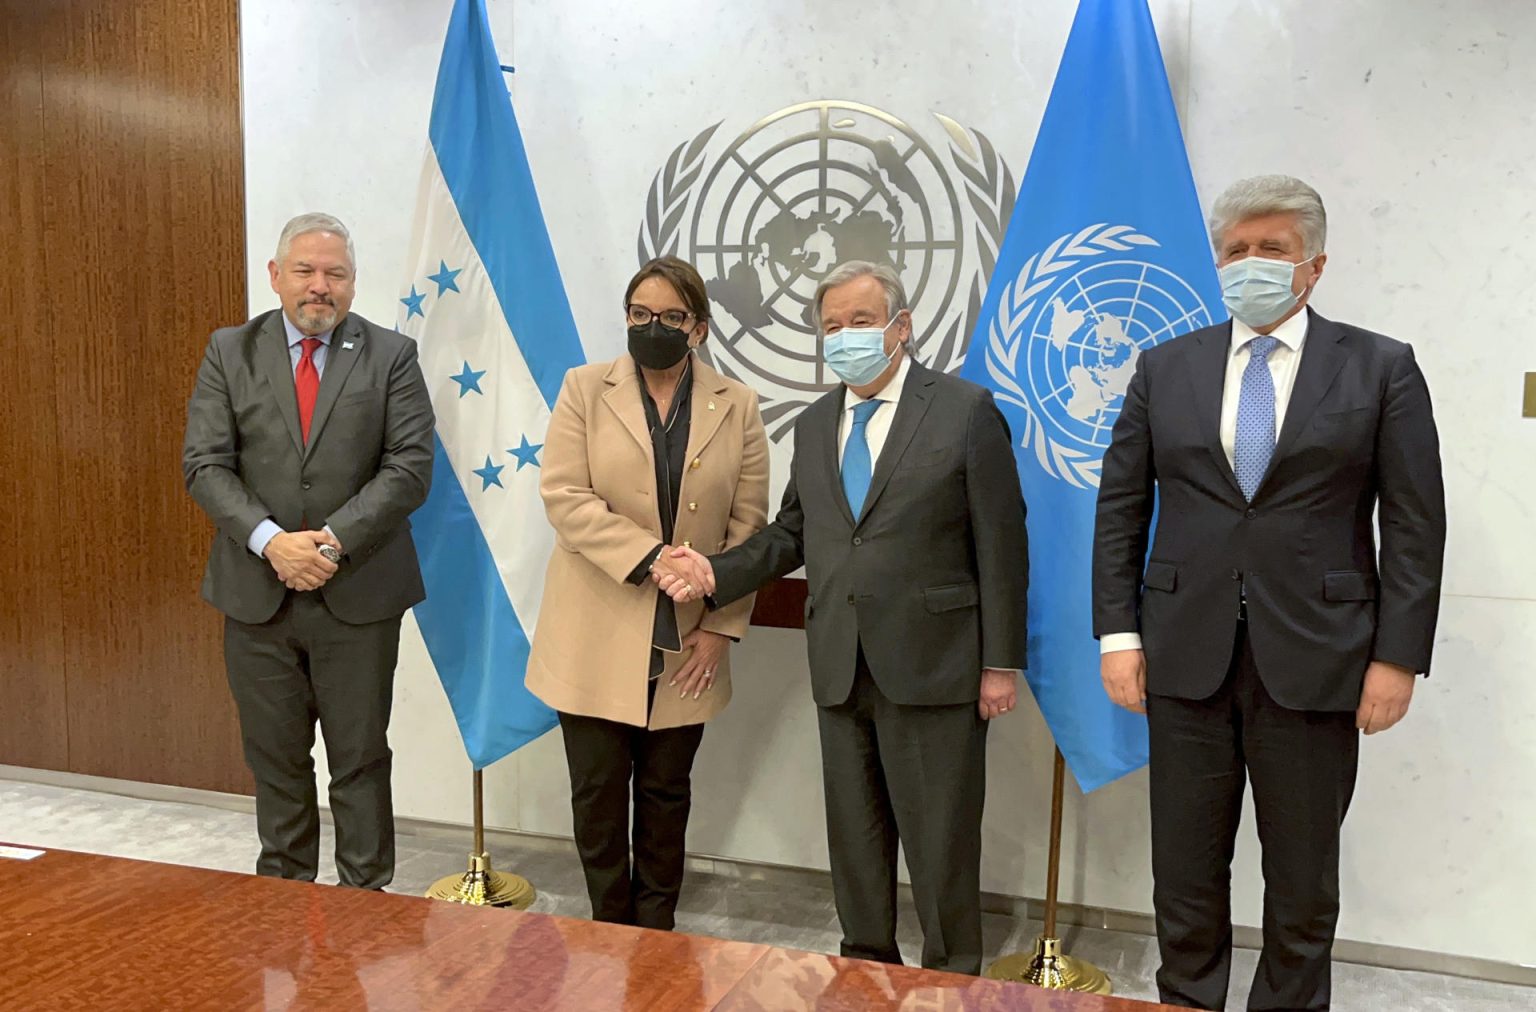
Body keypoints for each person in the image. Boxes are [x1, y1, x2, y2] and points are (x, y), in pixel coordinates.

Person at [1092, 175, 1446, 1011]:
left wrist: (1397, 658)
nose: (1252, 264)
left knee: (1301, 879)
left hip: (1320, 659)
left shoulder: (1381, 367)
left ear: (1314, 265)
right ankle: (1186, 996)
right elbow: (1120, 508)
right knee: (1183, 866)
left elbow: (1415, 526)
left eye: (1273, 250)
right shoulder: (1164, 367)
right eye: (1237, 250)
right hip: (1183, 654)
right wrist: (1118, 635)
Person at [656, 260, 1029, 975]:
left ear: (901, 326)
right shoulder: (818, 419)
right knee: (855, 841)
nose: (846, 337)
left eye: (861, 321)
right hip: (839, 661)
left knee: (941, 842)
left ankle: (952, 979)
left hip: (937, 665)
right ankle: (865, 970)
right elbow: (795, 531)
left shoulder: (963, 410)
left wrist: (999, 663)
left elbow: (1003, 545)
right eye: (832, 326)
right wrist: (713, 570)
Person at [183, 212, 435, 889]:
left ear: (352, 284)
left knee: (358, 761)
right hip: (255, 595)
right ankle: (283, 904)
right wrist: (272, 544)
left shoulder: (392, 355)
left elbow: (409, 468)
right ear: (275, 276)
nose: (320, 286)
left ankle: (364, 904)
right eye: (306, 270)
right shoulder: (229, 350)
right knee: (276, 760)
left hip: (358, 594)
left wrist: (327, 543)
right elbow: (205, 464)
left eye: (336, 273)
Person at [525, 255, 769, 930]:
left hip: (689, 639)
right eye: (639, 315)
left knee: (666, 793)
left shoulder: (738, 404)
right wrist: (652, 558)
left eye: (669, 317)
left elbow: (749, 527)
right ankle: (610, 924)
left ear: (699, 328)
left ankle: (654, 932)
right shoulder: (583, 388)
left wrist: (722, 629)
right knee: (598, 793)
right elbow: (564, 497)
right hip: (593, 629)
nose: (651, 327)